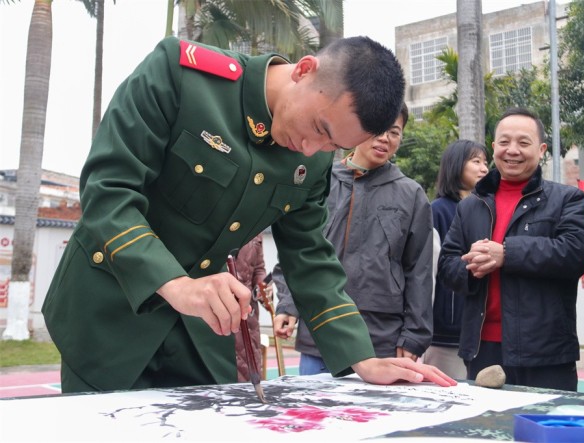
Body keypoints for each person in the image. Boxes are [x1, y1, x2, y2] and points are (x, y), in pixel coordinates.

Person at [42, 35, 456, 393]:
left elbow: (309, 255)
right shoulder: (182, 75)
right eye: (320, 129)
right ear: (304, 70)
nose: (312, 151)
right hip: (109, 314)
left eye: (334, 148)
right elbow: (109, 192)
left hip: (204, 335)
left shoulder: (313, 159)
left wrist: (362, 358)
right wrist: (176, 283)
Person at [438, 107, 584, 391]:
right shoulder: (470, 205)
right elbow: (447, 265)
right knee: (484, 431)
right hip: (481, 348)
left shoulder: (567, 199)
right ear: (494, 146)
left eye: (523, 142)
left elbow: (577, 253)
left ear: (542, 149)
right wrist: (472, 266)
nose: (512, 150)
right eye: (504, 142)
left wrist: (507, 254)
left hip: (545, 353)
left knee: (546, 432)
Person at [273, 104, 435, 375]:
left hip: (382, 338)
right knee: (315, 414)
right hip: (321, 330)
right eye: (378, 129)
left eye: (394, 132)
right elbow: (297, 250)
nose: (385, 138)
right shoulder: (321, 181)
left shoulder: (411, 194)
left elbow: (419, 271)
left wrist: (414, 336)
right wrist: (288, 304)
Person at [421, 140, 489, 379]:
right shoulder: (437, 210)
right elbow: (427, 273)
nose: (484, 169)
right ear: (456, 165)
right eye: (476, 161)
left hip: (475, 331)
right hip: (443, 334)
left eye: (485, 163)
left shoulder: (484, 209)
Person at [233, 235, 266, 382]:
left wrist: (263, 285)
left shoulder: (257, 225)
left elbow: (259, 268)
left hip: (248, 317)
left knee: (248, 374)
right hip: (216, 312)